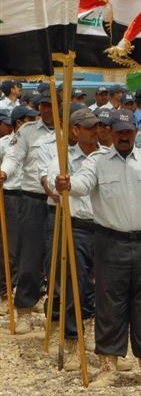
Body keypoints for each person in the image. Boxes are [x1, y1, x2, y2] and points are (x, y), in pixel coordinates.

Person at [55, 109, 141, 388]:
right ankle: (108, 366)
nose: (124, 136)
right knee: (110, 305)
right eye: (119, 131)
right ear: (109, 133)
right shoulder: (97, 162)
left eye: (128, 131)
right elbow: (83, 185)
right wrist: (67, 184)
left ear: (135, 132)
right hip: (110, 242)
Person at [45, 109, 102, 370]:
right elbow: (50, 178)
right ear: (76, 130)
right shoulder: (63, 157)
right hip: (76, 226)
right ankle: (71, 341)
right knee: (74, 285)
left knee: (104, 287)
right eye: (89, 127)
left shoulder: (107, 157)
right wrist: (56, 184)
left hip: (106, 227)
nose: (95, 131)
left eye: (98, 126)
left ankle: (95, 335)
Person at [0, 94, 56, 334]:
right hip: (32, 199)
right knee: (29, 257)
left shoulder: (71, 131)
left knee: (57, 258)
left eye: (51, 105)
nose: (46, 109)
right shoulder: (27, 131)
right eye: (43, 105)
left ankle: (56, 315)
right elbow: (13, 157)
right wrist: (3, 173)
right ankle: (24, 309)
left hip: (61, 202)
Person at [0, 106, 37, 315]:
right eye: (29, 119)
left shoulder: (38, 140)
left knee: (29, 249)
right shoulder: (4, 144)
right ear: (18, 123)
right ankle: (5, 292)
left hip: (31, 195)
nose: (33, 122)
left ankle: (31, 292)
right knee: (10, 249)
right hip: (11, 196)